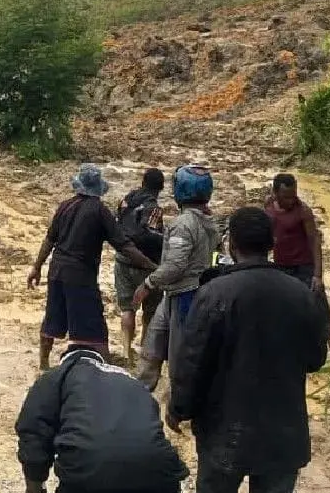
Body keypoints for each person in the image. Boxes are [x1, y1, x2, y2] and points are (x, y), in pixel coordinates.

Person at [169, 207, 330, 493]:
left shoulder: (213, 293)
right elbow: (316, 360)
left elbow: (192, 359)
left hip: (224, 422)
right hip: (283, 421)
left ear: (231, 243)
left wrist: (178, 407)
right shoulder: (300, 293)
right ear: (271, 245)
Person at [16, 344, 190, 493]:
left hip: (90, 477)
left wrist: (35, 489)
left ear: (66, 358)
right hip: (157, 472)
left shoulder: (57, 376)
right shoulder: (129, 380)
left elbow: (33, 431)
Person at [28, 164, 157, 370]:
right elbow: (123, 245)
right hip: (81, 276)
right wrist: (151, 265)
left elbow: (49, 240)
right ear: (98, 189)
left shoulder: (65, 206)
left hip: (56, 271)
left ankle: (43, 363)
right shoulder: (100, 211)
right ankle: (102, 366)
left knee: (53, 317)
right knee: (94, 326)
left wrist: (36, 267)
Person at [135, 164, 221, 392]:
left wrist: (148, 283)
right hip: (183, 293)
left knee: (177, 356)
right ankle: (143, 391)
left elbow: (175, 265)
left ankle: (174, 406)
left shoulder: (183, 225)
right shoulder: (210, 222)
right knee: (153, 345)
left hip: (184, 295)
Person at [266, 174, 330, 358]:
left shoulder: (303, 212)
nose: (292, 200)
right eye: (286, 196)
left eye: (294, 195)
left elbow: (314, 241)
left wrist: (318, 274)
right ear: (275, 193)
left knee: (318, 303)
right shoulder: (268, 206)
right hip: (281, 266)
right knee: (282, 307)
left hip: (304, 265)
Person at [113, 168, 166, 363]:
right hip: (148, 264)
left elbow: (117, 221)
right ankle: (144, 348)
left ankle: (126, 351)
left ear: (143, 182)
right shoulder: (154, 208)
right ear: (160, 187)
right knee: (150, 311)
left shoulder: (127, 199)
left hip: (123, 259)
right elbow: (151, 235)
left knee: (127, 308)